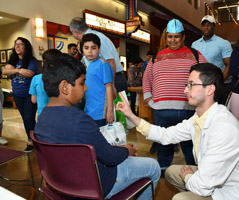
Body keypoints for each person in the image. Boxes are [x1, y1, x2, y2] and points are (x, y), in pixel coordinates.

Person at [117, 63, 239, 199]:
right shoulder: (199, 117)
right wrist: (131, 116)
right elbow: (166, 135)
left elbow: (202, 185)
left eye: (191, 85)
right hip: (214, 182)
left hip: (237, 193)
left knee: (180, 198)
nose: (185, 90)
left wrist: (189, 177)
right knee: (171, 172)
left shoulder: (224, 128)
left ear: (210, 89)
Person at [34, 54, 160, 200]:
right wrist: (127, 150)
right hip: (96, 184)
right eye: (82, 83)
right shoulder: (79, 120)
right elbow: (111, 158)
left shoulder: (42, 118)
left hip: (61, 184)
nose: (86, 88)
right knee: (153, 167)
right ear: (64, 87)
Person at [143, 19, 207, 176]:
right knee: (163, 144)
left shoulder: (195, 55)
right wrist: (147, 98)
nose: (173, 40)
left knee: (190, 144)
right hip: (161, 110)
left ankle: (196, 173)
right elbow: (147, 78)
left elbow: (207, 75)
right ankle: (163, 174)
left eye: (177, 36)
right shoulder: (157, 56)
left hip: (188, 110)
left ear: (183, 37)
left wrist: (202, 101)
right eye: (170, 36)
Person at [70, 17, 127, 98]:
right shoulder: (88, 39)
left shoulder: (95, 38)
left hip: (113, 79)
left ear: (75, 32)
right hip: (104, 81)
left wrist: (112, 86)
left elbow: (110, 61)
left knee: (118, 109)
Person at [2, 37, 39, 152]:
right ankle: (35, 138)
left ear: (26, 46)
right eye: (16, 44)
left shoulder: (32, 61)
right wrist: (18, 71)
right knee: (25, 118)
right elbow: (4, 71)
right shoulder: (12, 60)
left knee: (29, 118)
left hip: (29, 94)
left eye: (20, 44)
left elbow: (29, 73)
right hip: (17, 94)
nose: (17, 47)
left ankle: (31, 141)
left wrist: (12, 70)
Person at [192, 15, 232, 104]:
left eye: (209, 24)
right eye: (204, 25)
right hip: (200, 85)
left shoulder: (223, 43)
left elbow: (229, 65)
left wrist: (220, 82)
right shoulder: (195, 44)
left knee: (218, 113)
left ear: (214, 26)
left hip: (218, 86)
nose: (206, 27)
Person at [82, 33, 114, 127]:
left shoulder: (103, 64)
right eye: (86, 48)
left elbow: (109, 87)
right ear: (82, 49)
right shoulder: (85, 65)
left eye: (93, 48)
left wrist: (109, 110)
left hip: (101, 111)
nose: (90, 51)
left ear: (99, 49)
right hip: (88, 109)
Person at [29, 49, 61, 118]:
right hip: (60, 116)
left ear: (43, 63)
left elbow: (33, 100)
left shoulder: (36, 79)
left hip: (42, 117)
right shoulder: (63, 78)